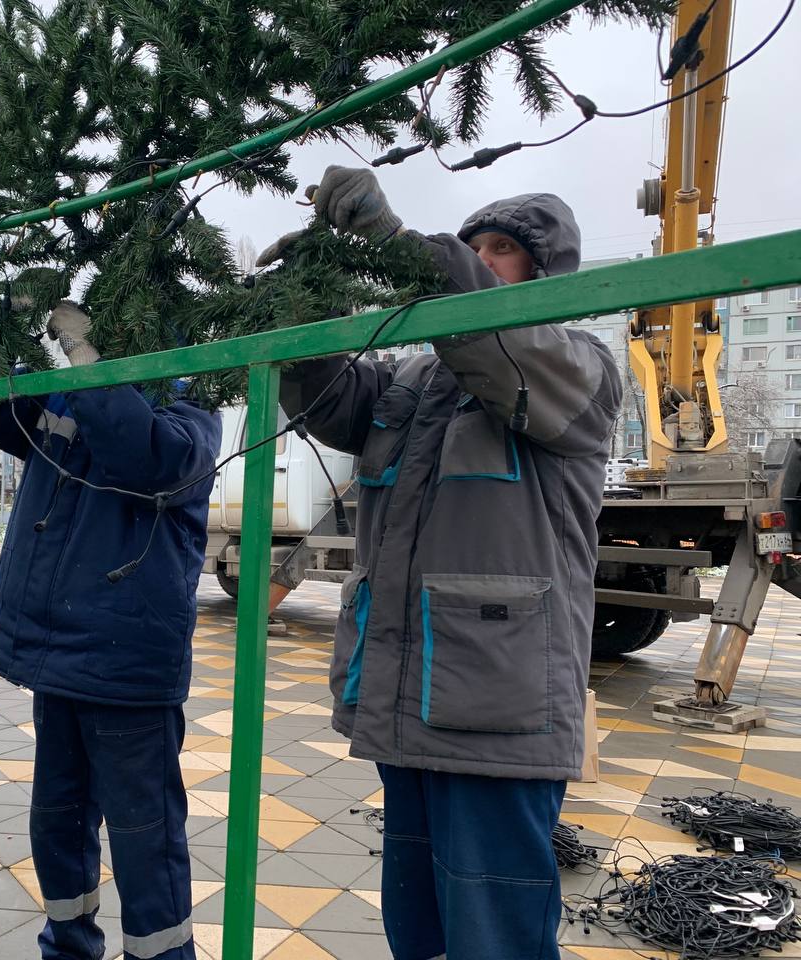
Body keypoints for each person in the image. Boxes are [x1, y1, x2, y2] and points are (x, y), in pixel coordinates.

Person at [257, 167, 621, 960]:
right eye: (474, 247)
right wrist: (305, 306)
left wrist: (398, 243)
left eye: (502, 250)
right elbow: (332, 401)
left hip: (496, 706)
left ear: (544, 275)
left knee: (496, 938)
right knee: (417, 927)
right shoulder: (418, 380)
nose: (483, 259)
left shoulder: (577, 368)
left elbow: (499, 342)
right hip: (408, 697)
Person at [0, 303, 221, 960]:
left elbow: (145, 457)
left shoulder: (187, 405)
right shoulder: (71, 397)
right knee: (57, 824)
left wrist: (87, 361)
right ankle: (68, 947)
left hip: (126, 666)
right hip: (60, 657)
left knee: (145, 841)